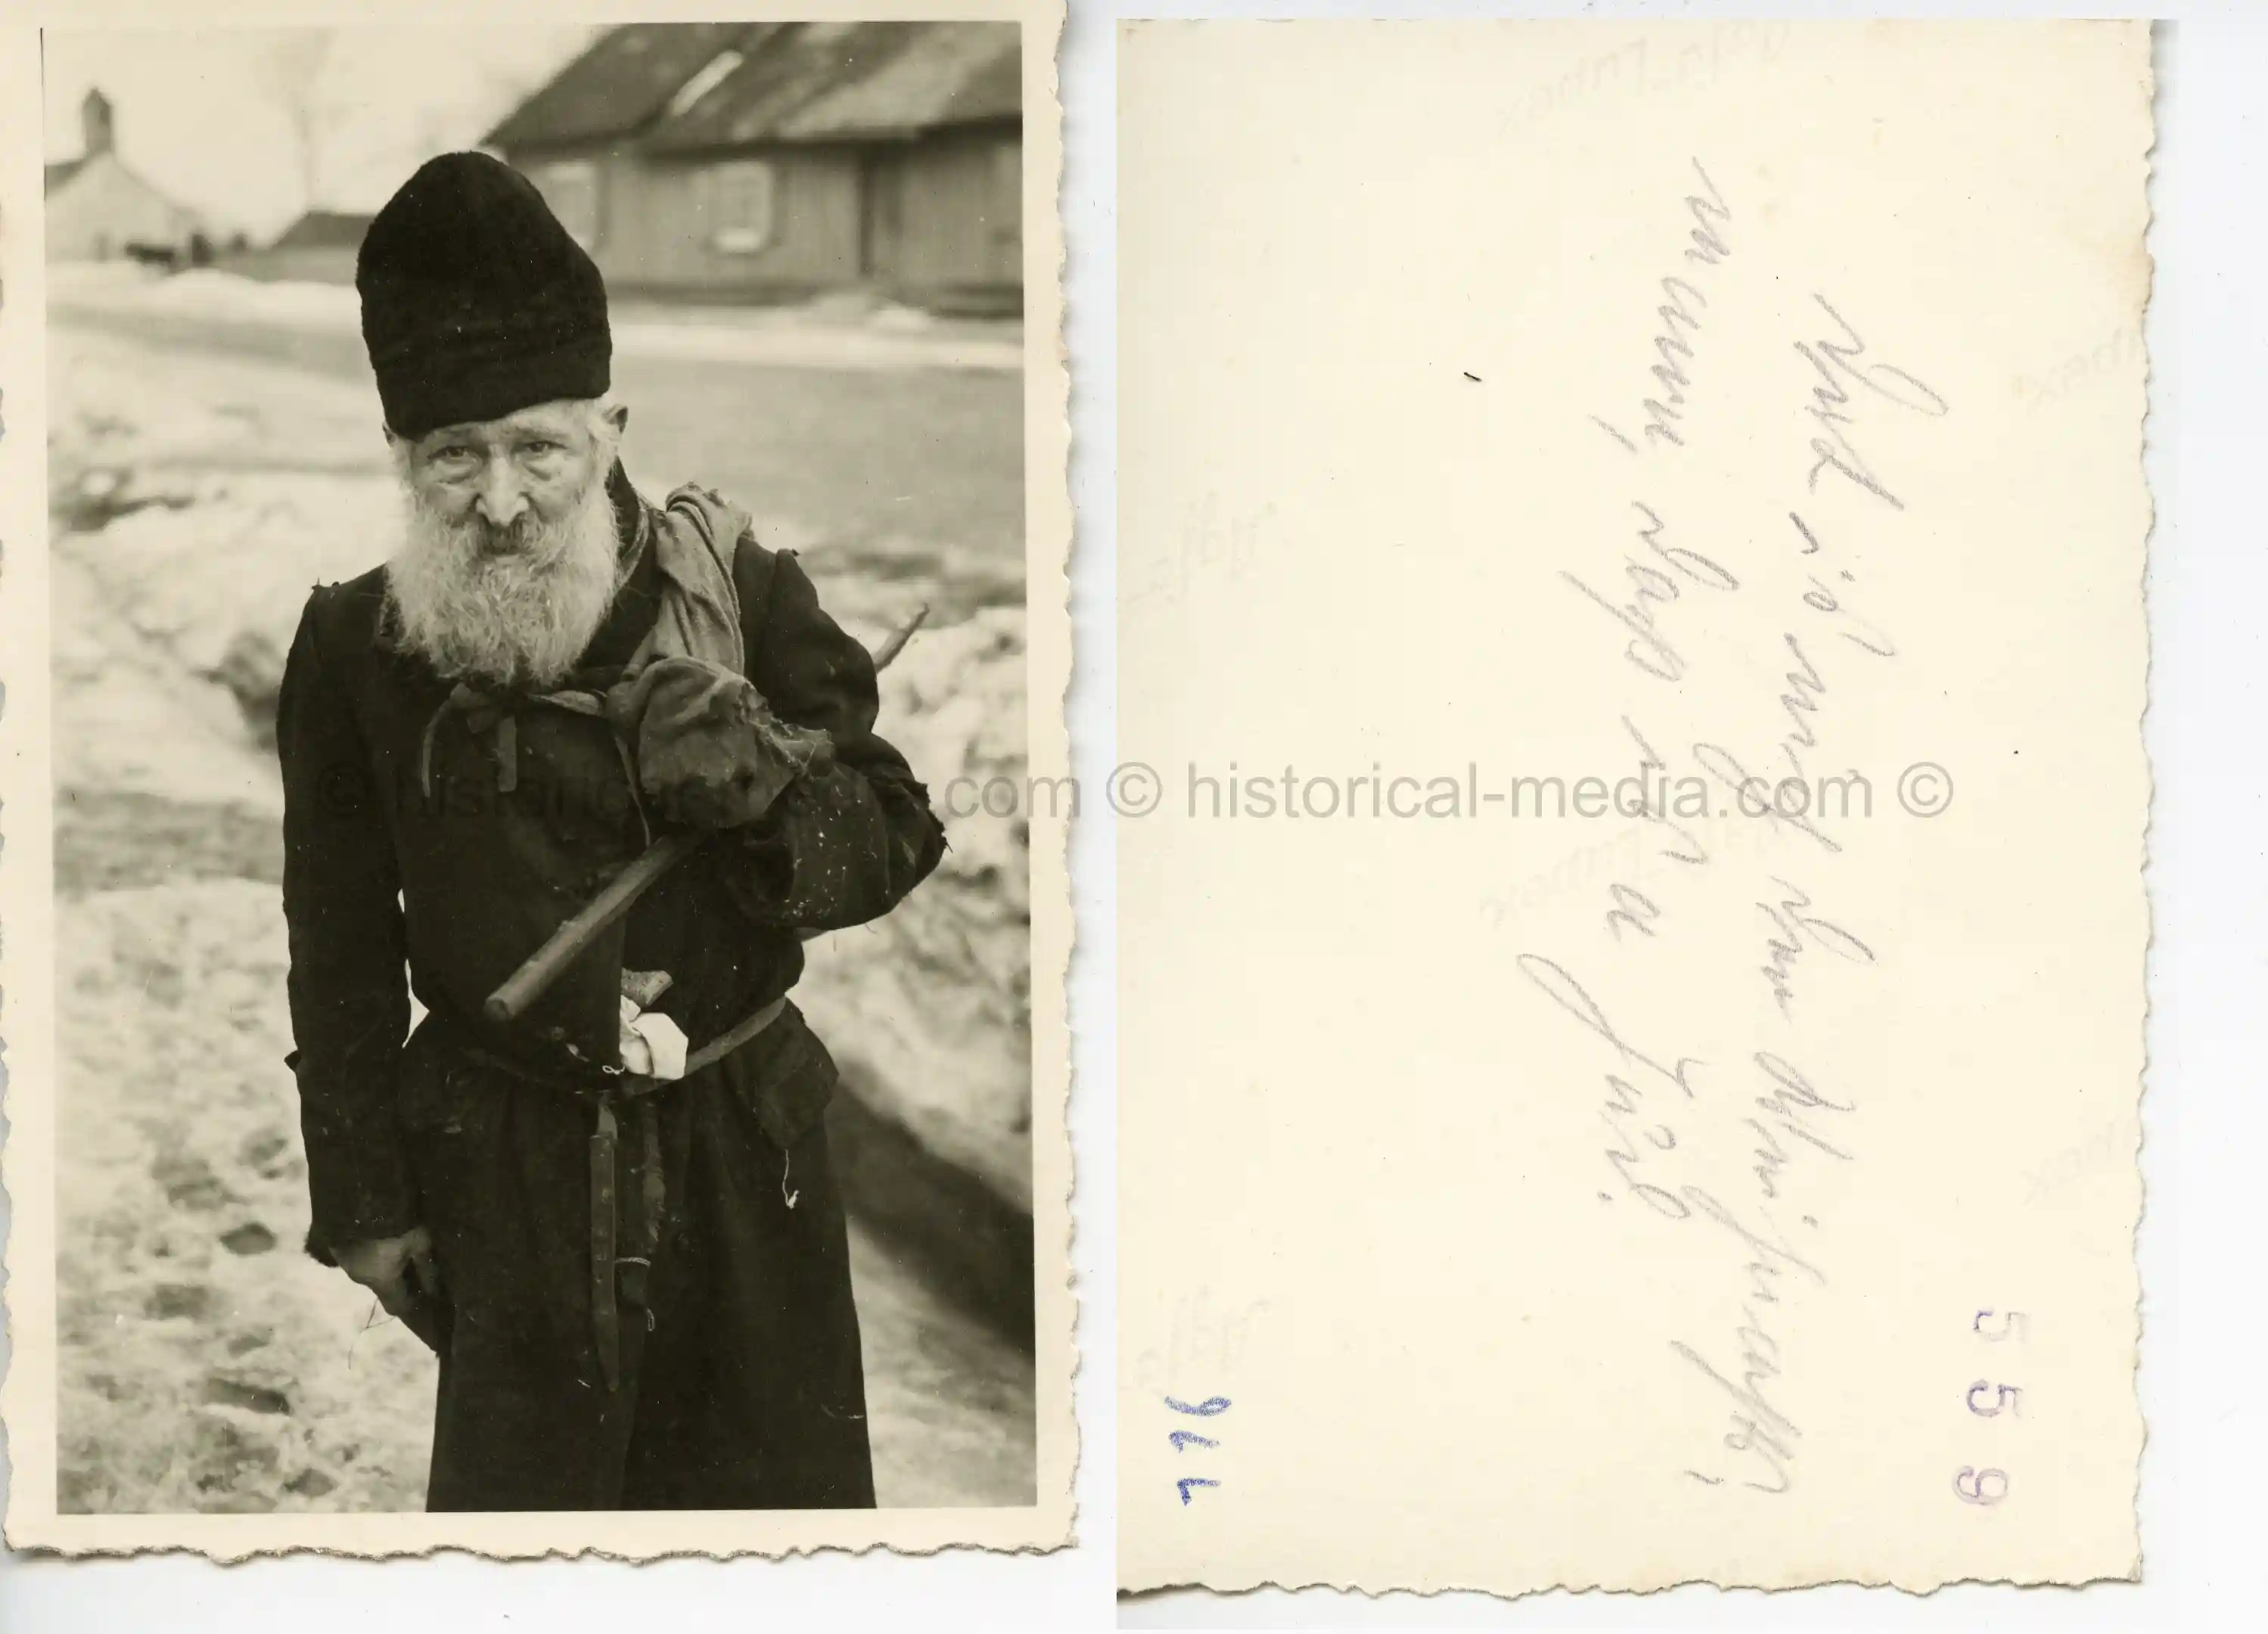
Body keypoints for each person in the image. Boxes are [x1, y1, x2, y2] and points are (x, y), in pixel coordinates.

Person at [277, 152, 946, 1511]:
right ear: (401, 458)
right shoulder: (354, 646)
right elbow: (337, 943)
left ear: (612, 424)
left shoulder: (736, 588)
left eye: (540, 446)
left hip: (745, 1164)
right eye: (454, 458)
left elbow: (892, 837)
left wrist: (763, 794)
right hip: (506, 1172)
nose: (503, 500)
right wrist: (364, 1197)